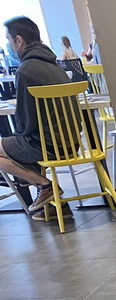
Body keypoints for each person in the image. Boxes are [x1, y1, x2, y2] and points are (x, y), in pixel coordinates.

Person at [0, 16, 73, 221]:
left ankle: (45, 186)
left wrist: (15, 139)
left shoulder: (27, 69)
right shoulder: (54, 64)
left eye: (8, 39)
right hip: (71, 141)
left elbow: (24, 123)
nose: (8, 44)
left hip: (47, 144)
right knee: (15, 147)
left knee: (12, 146)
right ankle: (59, 206)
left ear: (18, 40)